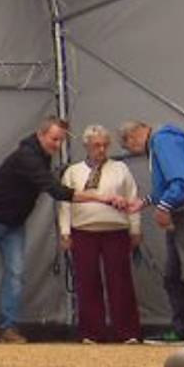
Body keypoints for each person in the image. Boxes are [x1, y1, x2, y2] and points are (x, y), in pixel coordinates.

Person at [0, 116, 127, 343]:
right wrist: (98, 196)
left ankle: (8, 328)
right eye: (54, 139)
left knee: (15, 274)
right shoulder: (27, 157)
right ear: (40, 135)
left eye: (61, 141)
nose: (57, 145)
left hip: (14, 221)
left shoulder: (43, 156)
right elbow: (56, 191)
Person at [119, 120, 184, 346]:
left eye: (128, 147)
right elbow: (167, 185)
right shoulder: (159, 144)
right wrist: (143, 202)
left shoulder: (162, 141)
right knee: (172, 274)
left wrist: (164, 207)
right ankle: (181, 329)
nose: (132, 151)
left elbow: (181, 180)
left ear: (132, 137)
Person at [58, 125, 141, 344]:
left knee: (121, 282)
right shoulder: (73, 172)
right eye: (96, 145)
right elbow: (64, 204)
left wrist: (135, 229)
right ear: (86, 146)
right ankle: (91, 333)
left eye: (105, 145)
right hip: (83, 231)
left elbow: (132, 198)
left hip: (116, 231)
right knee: (87, 282)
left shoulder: (121, 168)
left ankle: (128, 332)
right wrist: (65, 232)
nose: (101, 149)